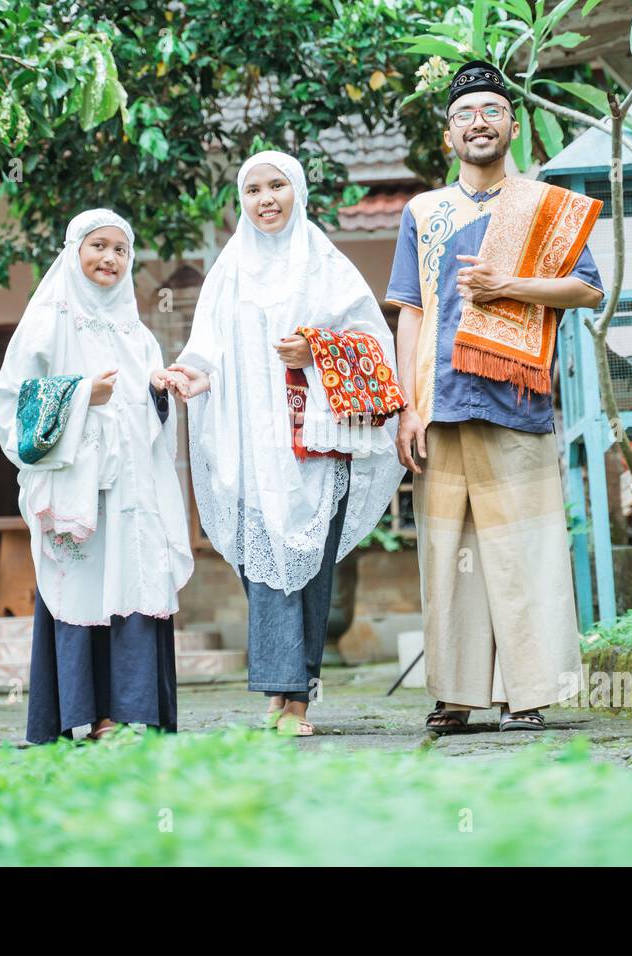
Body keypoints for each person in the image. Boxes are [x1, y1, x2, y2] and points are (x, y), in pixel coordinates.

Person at [386, 61, 606, 733]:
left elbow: (589, 290)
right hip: (442, 405)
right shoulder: (423, 212)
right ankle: (455, 696)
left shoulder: (543, 204)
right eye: (464, 115)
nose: (477, 124)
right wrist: (406, 406)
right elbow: (411, 310)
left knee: (526, 548)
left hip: (517, 398)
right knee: (449, 553)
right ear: (447, 132)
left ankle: (528, 693)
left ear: (513, 124)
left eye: (490, 112)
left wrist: (508, 286)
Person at [169, 150, 405, 737]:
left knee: (310, 569)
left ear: (297, 191)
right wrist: (195, 377)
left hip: (314, 446)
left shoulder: (325, 264)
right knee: (265, 565)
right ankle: (281, 693)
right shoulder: (229, 271)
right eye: (253, 190)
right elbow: (207, 350)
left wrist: (316, 351)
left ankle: (296, 699)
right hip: (249, 447)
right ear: (242, 202)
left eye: (277, 185)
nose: (266, 198)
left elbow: (372, 339)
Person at [0, 208, 194, 744]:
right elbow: (14, 407)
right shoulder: (45, 322)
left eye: (121, 250)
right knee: (83, 587)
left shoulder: (137, 335)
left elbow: (145, 422)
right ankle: (89, 714)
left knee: (131, 582)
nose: (109, 258)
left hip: (130, 493)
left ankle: (131, 715)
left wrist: (154, 389)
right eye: (98, 246)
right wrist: (83, 394)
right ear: (74, 250)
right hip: (77, 491)